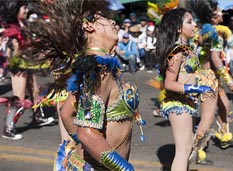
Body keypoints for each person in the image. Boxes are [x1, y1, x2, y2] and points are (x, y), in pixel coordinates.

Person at [20, 0, 144, 170]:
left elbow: (66, 112)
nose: (113, 22)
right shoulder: (98, 69)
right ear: (88, 26)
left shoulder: (97, 66)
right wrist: (125, 168)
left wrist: (88, 148)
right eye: (105, 19)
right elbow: (87, 133)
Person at [156, 8, 213, 171]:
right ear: (178, 28)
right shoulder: (177, 51)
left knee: (186, 150)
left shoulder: (186, 48)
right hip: (177, 104)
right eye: (189, 22)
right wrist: (197, 88)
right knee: (183, 151)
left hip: (186, 103)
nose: (194, 24)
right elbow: (169, 83)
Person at [190, 0, 233, 162]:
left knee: (225, 105)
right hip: (209, 79)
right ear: (213, 15)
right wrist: (229, 80)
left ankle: (224, 135)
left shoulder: (203, 31)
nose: (223, 13)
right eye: (220, 10)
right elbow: (216, 60)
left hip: (207, 77)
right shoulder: (214, 34)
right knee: (207, 118)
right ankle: (196, 150)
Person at [0, 0, 54, 140]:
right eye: (23, 7)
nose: (26, 10)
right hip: (18, 66)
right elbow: (12, 53)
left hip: (27, 63)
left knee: (35, 91)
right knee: (19, 98)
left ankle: (38, 117)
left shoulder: (22, 24)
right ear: (14, 10)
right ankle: (8, 128)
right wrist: (25, 49)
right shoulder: (12, 29)